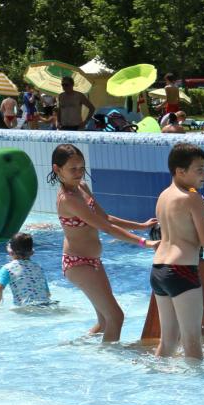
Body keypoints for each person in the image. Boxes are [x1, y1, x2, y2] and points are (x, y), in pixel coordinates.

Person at [49, 144, 159, 341]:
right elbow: (105, 228)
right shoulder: (68, 199)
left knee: (104, 322)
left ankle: (78, 348)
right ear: (57, 169)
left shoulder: (82, 187)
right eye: (72, 169)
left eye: (82, 168)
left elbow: (105, 218)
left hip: (92, 261)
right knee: (116, 317)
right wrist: (144, 243)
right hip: (78, 263)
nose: (79, 173)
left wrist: (140, 226)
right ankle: (110, 363)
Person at [151, 143, 204, 360]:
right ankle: (197, 392)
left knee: (167, 342)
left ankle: (155, 382)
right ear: (180, 171)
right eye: (199, 169)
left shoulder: (164, 195)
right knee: (192, 341)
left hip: (159, 270)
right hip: (181, 270)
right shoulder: (192, 196)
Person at [0, 233, 53, 307]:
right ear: (32, 252)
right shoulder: (38, 268)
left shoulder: (7, 269)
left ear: (10, 251)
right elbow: (47, 294)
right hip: (47, 305)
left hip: (26, 308)